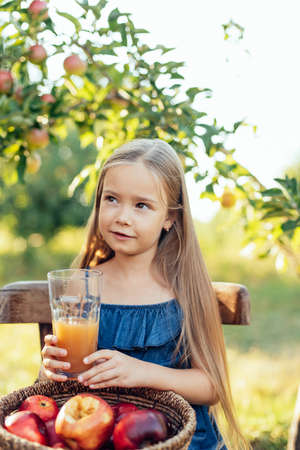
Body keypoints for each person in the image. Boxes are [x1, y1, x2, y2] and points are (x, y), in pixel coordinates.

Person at [40, 138, 249, 449]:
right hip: (105, 435)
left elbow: (211, 386)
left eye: (141, 205)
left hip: (181, 438)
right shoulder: (81, 286)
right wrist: (49, 371)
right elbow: (60, 386)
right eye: (112, 199)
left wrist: (140, 372)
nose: (123, 216)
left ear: (169, 218)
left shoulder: (185, 290)